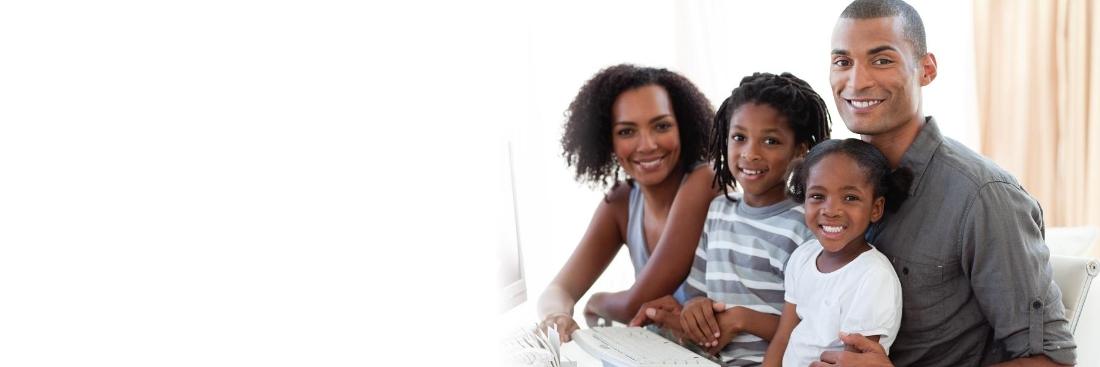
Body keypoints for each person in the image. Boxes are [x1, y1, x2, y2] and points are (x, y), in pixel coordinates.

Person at [817, 1, 1077, 366]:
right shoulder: (829, 183)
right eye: (843, 62)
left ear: (926, 69)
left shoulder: (984, 197)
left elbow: (1051, 361)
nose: (857, 82)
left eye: (882, 60)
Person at [635, 72, 831, 366]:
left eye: (771, 141)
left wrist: (743, 319)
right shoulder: (718, 212)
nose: (750, 154)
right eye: (739, 137)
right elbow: (697, 295)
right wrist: (695, 309)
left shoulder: (806, 226)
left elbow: (818, 328)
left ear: (800, 151)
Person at [537, 64, 720, 343]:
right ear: (607, 139)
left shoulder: (704, 181)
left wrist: (596, 302)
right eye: (626, 131)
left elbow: (634, 304)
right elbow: (558, 290)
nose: (647, 145)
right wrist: (556, 316)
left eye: (661, 126)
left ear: (683, 126)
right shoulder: (621, 202)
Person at [763, 139, 909, 367]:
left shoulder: (873, 277)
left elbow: (855, 359)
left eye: (850, 198)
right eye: (817, 196)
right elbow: (782, 338)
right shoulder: (803, 257)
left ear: (876, 208)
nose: (830, 210)